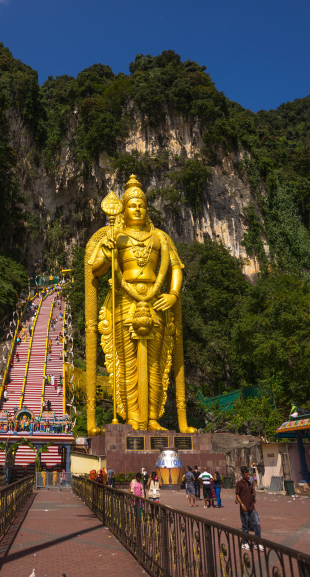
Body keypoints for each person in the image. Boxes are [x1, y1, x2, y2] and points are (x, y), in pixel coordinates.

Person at [86, 175, 195, 432]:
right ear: (123, 210)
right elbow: (95, 270)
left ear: (147, 210)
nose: (137, 209)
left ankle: (154, 418)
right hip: (125, 300)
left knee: (156, 363)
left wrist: (173, 294)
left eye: (141, 205)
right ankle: (132, 417)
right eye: (132, 205)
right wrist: (106, 253)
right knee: (128, 363)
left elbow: (176, 268)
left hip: (156, 300)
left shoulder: (160, 238)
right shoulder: (115, 236)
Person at [235, 467, 264, 551]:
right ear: (243, 475)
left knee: (257, 524)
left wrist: (254, 497)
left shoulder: (249, 482)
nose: (248, 475)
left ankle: (257, 542)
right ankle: (245, 542)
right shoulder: (239, 484)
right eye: (247, 474)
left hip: (252, 507)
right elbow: (237, 494)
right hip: (244, 508)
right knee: (245, 525)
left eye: (248, 474)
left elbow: (253, 490)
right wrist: (241, 504)